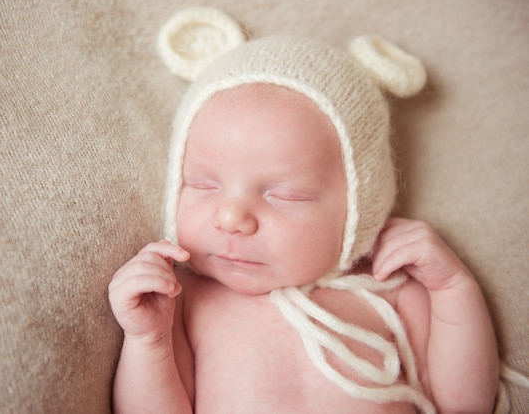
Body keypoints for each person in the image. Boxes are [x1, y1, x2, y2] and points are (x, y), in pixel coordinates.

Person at [109, 33, 499, 413]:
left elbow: (464, 404)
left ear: (357, 208)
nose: (230, 218)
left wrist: (452, 288)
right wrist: (148, 340)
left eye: (285, 195)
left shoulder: (386, 290)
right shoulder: (185, 300)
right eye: (203, 185)